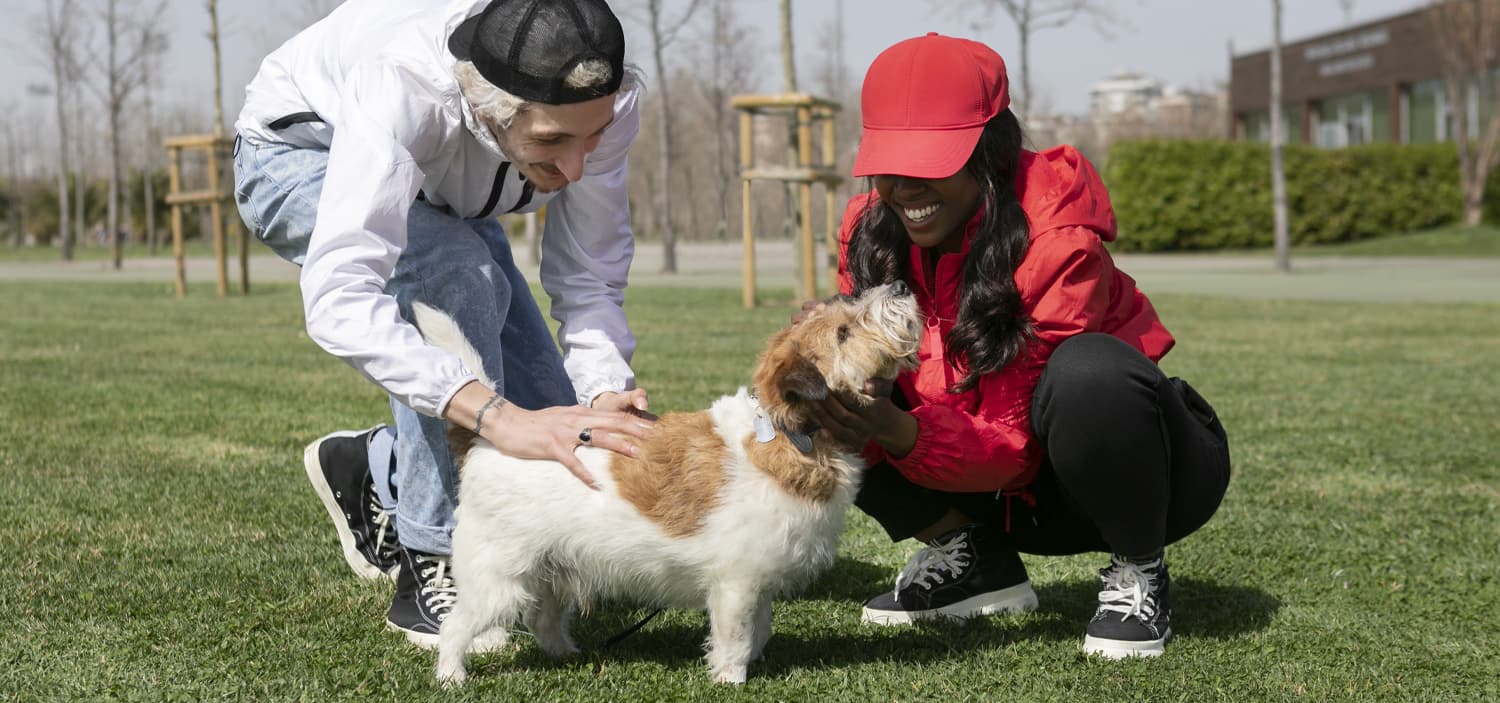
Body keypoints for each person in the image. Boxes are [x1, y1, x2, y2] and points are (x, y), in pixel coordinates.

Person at [231, 0, 656, 649]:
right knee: (456, 275)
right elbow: (340, 295)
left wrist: (602, 391)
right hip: (296, 154)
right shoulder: (405, 88)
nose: (574, 169)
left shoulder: (603, 101)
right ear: (487, 106)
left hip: (444, 185)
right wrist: (497, 418)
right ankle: (432, 553)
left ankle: (370, 463)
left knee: (557, 436)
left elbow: (589, 272)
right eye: (551, 142)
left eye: (590, 139)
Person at [804, 33, 1231, 659]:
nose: (904, 186)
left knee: (1090, 374)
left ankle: (1139, 567)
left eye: (932, 160)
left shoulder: (1057, 239)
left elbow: (1013, 449)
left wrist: (896, 429)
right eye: (890, 162)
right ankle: (972, 560)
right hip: (986, 491)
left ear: (990, 149)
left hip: (1112, 479)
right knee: (820, 377)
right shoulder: (868, 229)